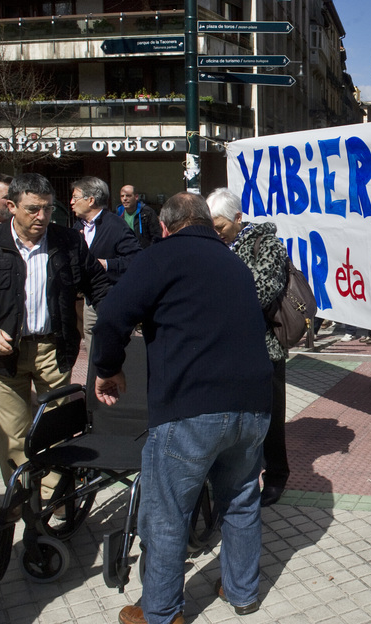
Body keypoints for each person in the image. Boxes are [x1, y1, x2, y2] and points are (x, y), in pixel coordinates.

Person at [92, 192, 272, 624]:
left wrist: (107, 368)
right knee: (242, 500)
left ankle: (161, 611)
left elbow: (112, 315)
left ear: (167, 227)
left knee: (168, 512)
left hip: (190, 408)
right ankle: (243, 592)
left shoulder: (161, 256)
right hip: (253, 406)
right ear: (209, 224)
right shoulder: (234, 263)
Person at [0, 173, 110, 493]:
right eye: (33, 209)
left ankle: (50, 502)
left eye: (47, 209)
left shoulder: (68, 242)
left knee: (56, 428)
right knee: (12, 434)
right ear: (11, 206)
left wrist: (116, 321)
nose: (42, 217)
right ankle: (21, 500)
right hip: (3, 355)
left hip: (54, 348)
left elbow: (99, 286)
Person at [206, 187, 290, 507]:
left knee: (269, 416)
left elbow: (262, 293)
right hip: (226, 348)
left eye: (220, 227)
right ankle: (235, 474)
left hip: (264, 347)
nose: (215, 233)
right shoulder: (216, 246)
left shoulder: (267, 245)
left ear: (238, 219)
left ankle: (276, 474)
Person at [71, 177, 142, 359]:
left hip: (113, 296)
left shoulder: (115, 225)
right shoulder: (77, 227)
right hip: (88, 299)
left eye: (75, 197)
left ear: (91, 200)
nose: (71, 202)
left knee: (117, 348)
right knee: (93, 347)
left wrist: (107, 264)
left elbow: (136, 259)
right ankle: (95, 382)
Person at [116, 184, 162, 249]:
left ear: (136, 197)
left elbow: (156, 235)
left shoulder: (147, 212)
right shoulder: (118, 213)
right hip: (126, 252)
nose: (125, 198)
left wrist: (150, 251)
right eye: (122, 196)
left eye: (128, 196)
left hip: (144, 252)